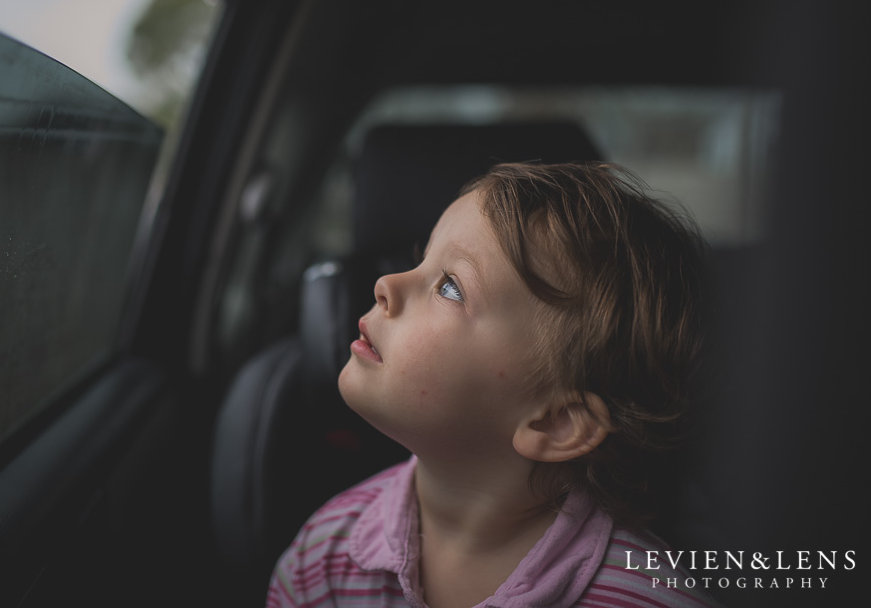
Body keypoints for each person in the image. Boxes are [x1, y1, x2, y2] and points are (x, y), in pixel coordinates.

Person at [267, 162, 718, 607]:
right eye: (419, 260)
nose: (385, 284)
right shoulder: (322, 558)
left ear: (557, 422)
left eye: (450, 288)